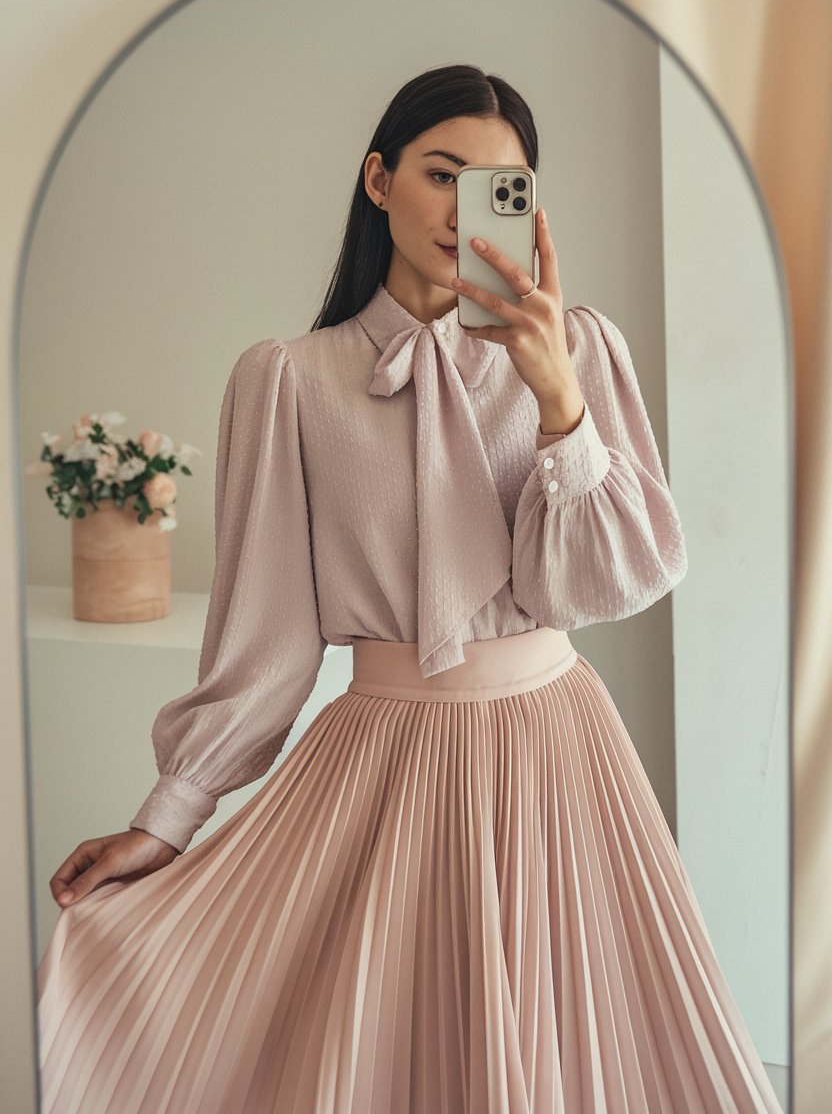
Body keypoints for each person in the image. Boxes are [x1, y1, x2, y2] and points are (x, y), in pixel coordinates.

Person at [36, 64, 783, 1113]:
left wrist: (556, 397)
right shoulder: (289, 380)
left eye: (503, 187)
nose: (466, 207)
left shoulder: (580, 350)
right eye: (442, 173)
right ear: (378, 180)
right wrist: (169, 816)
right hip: (383, 758)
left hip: (557, 753)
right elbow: (268, 638)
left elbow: (611, 578)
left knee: (571, 1052)